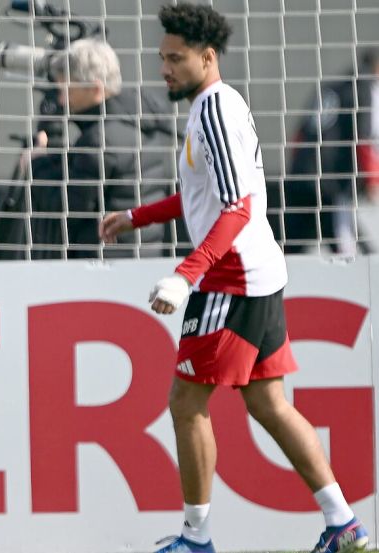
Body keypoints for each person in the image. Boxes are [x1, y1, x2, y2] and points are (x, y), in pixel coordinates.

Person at [99, 4, 369, 553]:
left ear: (207, 56)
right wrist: (138, 217)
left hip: (232, 279)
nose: (165, 69)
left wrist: (184, 275)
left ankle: (196, 539)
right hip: (258, 272)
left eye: (175, 59)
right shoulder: (213, 106)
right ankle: (344, 525)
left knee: (185, 402)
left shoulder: (214, 112)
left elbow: (238, 206)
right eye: (162, 58)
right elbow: (202, 195)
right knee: (269, 403)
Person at [0, 37, 176, 259]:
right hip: (141, 256)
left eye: (67, 90)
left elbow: (67, 209)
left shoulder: (100, 139)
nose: (62, 101)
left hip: (103, 266)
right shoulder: (141, 121)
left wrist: (36, 163)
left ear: (95, 89)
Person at [283, 47, 378, 255]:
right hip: (331, 181)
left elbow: (300, 134)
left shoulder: (332, 86)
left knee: (292, 246)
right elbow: (362, 138)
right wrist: (372, 180)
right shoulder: (363, 88)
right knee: (344, 242)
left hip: (301, 174)